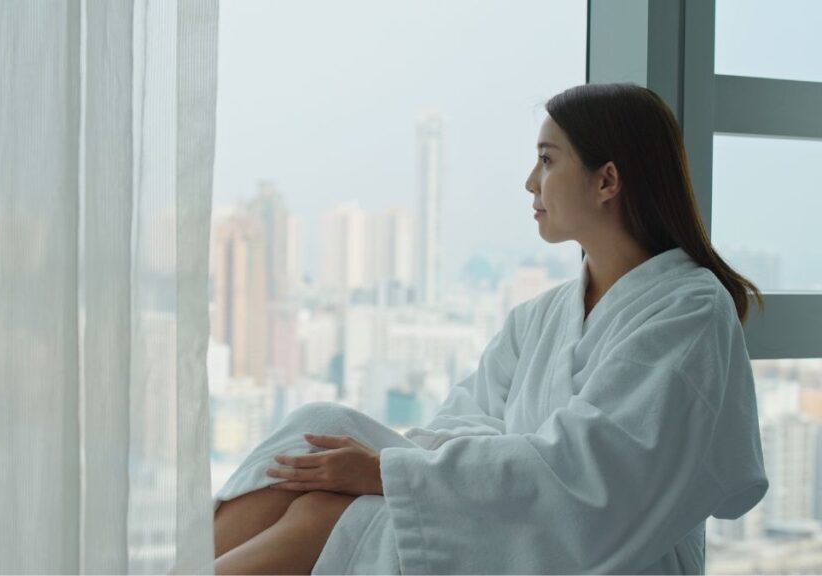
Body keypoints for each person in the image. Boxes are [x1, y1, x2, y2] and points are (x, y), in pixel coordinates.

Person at [210, 83, 768, 574]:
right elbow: (462, 419)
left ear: (608, 181)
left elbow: (599, 476)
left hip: (594, 551)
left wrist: (389, 473)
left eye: (548, 161)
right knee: (318, 425)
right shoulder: (540, 316)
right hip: (498, 508)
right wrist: (412, 476)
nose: (530, 183)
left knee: (330, 508)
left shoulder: (689, 311)